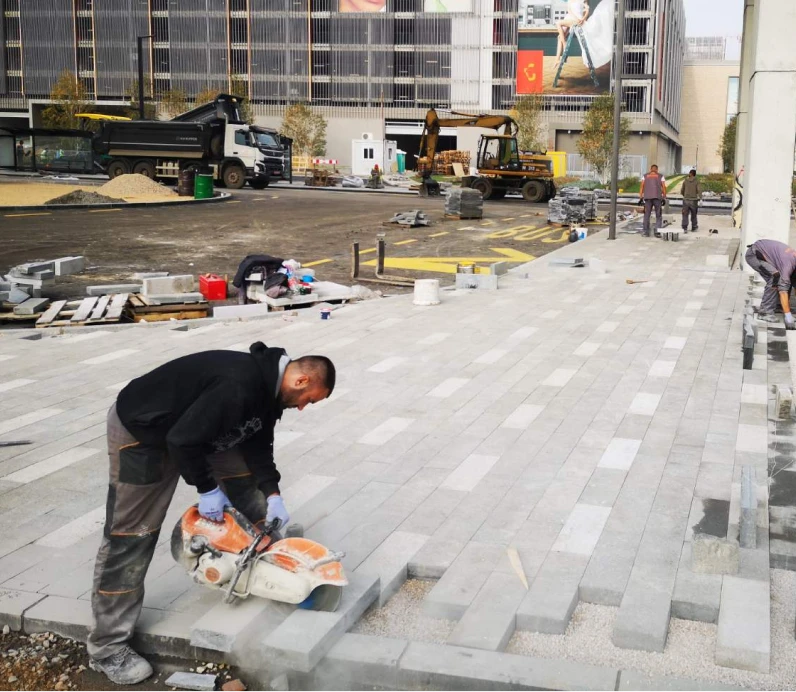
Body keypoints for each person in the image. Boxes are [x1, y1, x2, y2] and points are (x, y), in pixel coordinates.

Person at [87, 343, 335, 685]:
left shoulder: (268, 392)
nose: (305, 407)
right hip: (145, 432)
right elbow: (182, 441)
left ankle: (274, 574)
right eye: (310, 399)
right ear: (301, 381)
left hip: (196, 431)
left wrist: (273, 494)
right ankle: (107, 647)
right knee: (132, 537)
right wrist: (206, 489)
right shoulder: (239, 386)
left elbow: (257, 447)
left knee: (251, 496)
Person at [745, 240, 796, 328]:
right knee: (775, 277)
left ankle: (779, 306)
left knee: (789, 279)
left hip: (767, 254)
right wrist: (788, 316)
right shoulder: (788, 265)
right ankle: (765, 312)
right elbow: (783, 291)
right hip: (754, 256)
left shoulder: (793, 263)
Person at [555, 0, 590, 68]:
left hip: (578, 19)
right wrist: (576, 18)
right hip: (570, 18)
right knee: (560, 37)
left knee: (558, 23)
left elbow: (587, 11)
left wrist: (583, 19)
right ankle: (557, 59)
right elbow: (569, 11)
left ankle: (565, 44)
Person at [639, 164, 667, 238]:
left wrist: (641, 196)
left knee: (647, 215)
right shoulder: (661, 176)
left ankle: (645, 232)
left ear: (650, 169)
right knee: (658, 215)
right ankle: (657, 232)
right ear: (657, 170)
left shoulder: (645, 176)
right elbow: (664, 187)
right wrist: (664, 197)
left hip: (647, 198)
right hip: (657, 198)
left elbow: (642, 186)